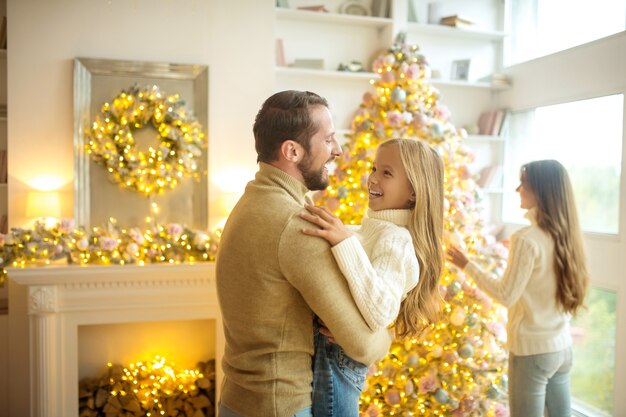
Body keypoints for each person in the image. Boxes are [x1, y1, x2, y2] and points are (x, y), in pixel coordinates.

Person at [215, 90, 394, 417]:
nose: (338, 150)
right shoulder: (295, 225)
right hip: (279, 406)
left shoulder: (248, 204)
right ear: (292, 151)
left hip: (235, 402)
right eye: (328, 139)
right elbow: (362, 345)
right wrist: (387, 338)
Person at [299, 138, 445, 417]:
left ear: (413, 191)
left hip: (338, 360)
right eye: (374, 168)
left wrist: (344, 241)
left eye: (386, 173)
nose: (372, 178)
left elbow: (380, 311)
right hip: (330, 352)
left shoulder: (396, 240)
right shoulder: (372, 231)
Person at [447, 159, 589, 417]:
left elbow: (505, 295)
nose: (517, 190)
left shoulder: (526, 239)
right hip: (561, 349)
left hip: (532, 352)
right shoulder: (566, 235)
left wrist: (466, 264)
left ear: (540, 192)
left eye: (523, 184)